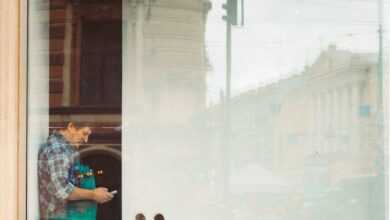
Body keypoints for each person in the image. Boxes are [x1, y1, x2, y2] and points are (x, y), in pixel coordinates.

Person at [38, 122, 114, 219]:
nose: (86, 140)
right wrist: (93, 194)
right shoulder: (58, 149)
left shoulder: (68, 149)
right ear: (71, 127)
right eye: (84, 133)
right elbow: (63, 189)